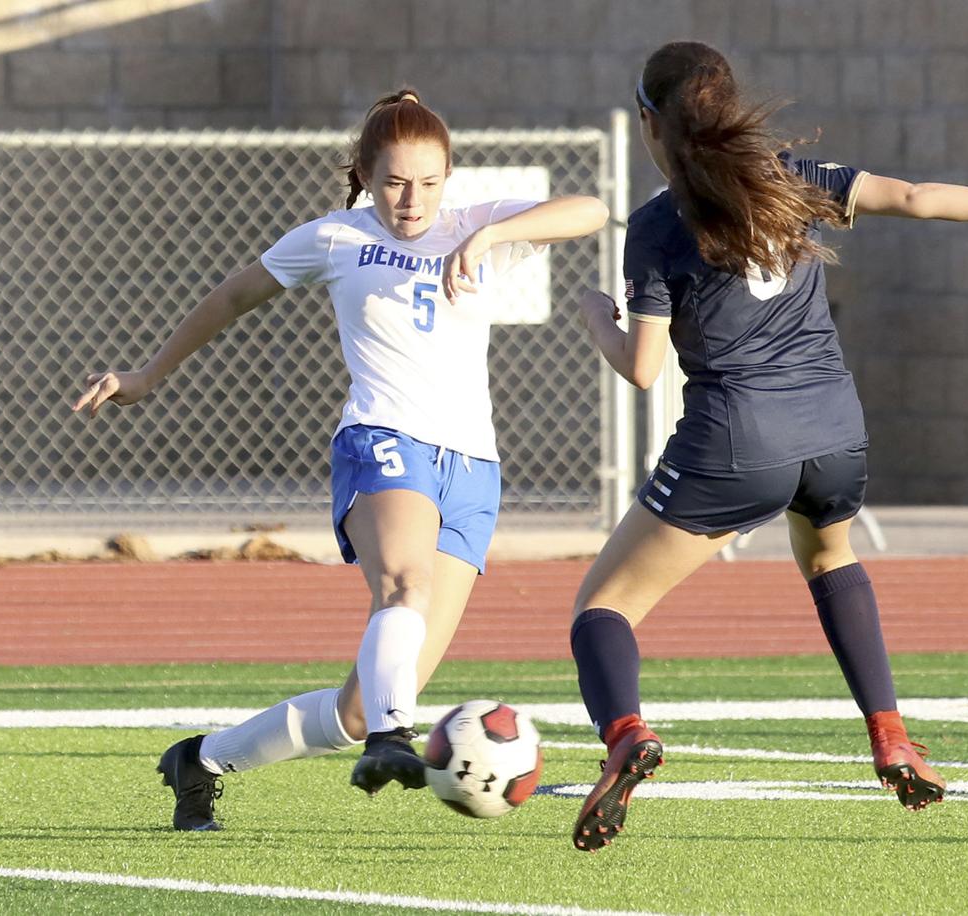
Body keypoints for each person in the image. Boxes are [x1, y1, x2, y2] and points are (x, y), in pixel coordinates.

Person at [568, 41, 968, 852]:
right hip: (835, 430)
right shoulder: (791, 177)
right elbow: (914, 196)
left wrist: (597, 314)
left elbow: (642, 368)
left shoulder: (661, 223)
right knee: (831, 560)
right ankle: (891, 737)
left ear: (648, 124)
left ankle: (627, 733)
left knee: (603, 608)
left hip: (738, 439)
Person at [73, 89, 609, 831]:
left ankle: (201, 760)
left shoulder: (477, 226)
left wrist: (486, 241)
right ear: (363, 172)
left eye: (427, 181)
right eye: (393, 181)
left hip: (473, 469)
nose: (411, 199)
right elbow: (234, 296)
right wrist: (147, 375)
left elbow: (590, 210)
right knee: (404, 588)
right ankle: (394, 737)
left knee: (362, 704)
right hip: (383, 440)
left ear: (450, 176)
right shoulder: (336, 237)